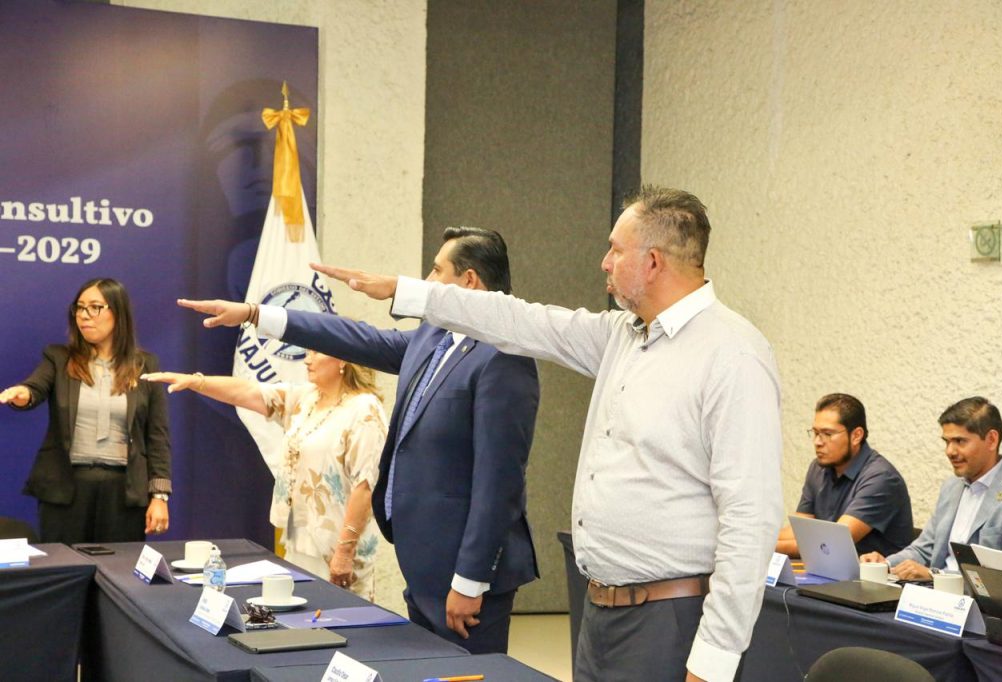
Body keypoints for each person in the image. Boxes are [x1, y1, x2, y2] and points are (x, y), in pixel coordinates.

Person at [291, 186, 783, 682]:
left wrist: (714, 660)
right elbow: (522, 320)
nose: (604, 262)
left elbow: (750, 519)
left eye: (615, 249)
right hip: (601, 612)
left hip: (670, 619)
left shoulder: (731, 355)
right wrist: (408, 292)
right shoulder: (623, 335)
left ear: (652, 262)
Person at [179, 226, 540, 654]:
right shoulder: (434, 337)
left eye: (436, 270)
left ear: (469, 281)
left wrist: (470, 580)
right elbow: (356, 338)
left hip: (465, 579)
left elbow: (499, 483)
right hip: (423, 565)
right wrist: (257, 314)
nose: (427, 280)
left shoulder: (503, 355)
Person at [142, 351, 386, 599]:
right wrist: (196, 382)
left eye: (316, 352)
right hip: (299, 541)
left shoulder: (363, 409)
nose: (307, 359)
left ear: (343, 359)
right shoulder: (307, 398)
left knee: (340, 616)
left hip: (337, 550)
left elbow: (365, 486)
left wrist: (344, 551)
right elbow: (248, 392)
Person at [0, 278, 171, 543]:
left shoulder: (145, 365)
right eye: (79, 308)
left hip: (124, 492)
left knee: (118, 566)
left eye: (94, 307)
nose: (84, 315)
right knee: (64, 565)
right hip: (66, 489)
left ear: (118, 313)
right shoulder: (59, 358)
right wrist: (22, 395)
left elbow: (157, 436)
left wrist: (159, 496)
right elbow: (35, 388)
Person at [861, 396, 1002, 579]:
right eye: (947, 442)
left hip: (972, 597)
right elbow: (924, 549)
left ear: (991, 440)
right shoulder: (952, 487)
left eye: (960, 441)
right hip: (932, 592)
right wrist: (884, 564)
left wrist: (935, 575)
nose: (950, 451)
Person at [775, 393, 913, 557]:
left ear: (856, 436)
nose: (817, 442)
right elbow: (799, 530)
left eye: (827, 434)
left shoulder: (881, 478)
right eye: (815, 433)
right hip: (829, 567)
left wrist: (765, 547)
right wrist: (760, 539)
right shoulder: (818, 468)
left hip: (871, 571)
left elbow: (832, 544)